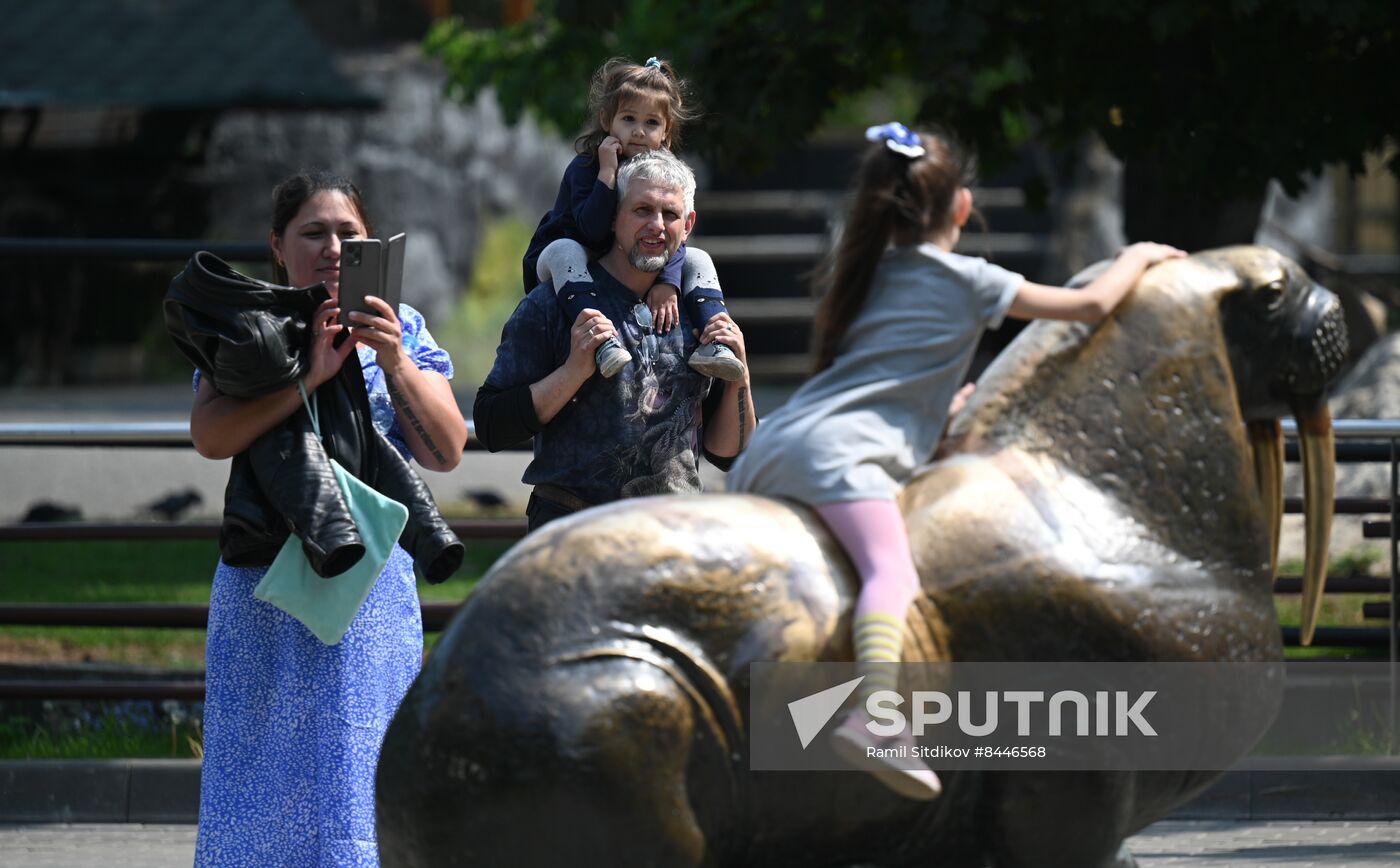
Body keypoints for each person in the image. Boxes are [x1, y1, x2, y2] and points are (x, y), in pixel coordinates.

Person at [725, 123, 1184, 801]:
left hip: (778, 442)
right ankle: (878, 717)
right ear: (961, 209)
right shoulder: (971, 279)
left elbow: (885, 374)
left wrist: (938, 415)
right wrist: (1138, 257)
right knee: (892, 574)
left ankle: (780, 717)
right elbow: (1087, 306)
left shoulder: (866, 272)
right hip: (841, 457)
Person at [189, 171, 467, 866]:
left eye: (350, 234)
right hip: (265, 591)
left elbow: (447, 451)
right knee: (259, 784)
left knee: (362, 776)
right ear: (277, 245)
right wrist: (307, 377)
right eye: (314, 233)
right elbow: (212, 436)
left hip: (367, 592)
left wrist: (394, 358)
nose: (334, 248)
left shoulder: (403, 327)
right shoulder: (246, 323)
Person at [478, 148, 756, 532]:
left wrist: (739, 377)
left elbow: (728, 454)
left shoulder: (701, 310)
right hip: (573, 530)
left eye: (670, 214)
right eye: (642, 210)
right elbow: (491, 425)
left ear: (688, 224)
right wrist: (574, 371)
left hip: (676, 534)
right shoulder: (555, 303)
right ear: (612, 216)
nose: (657, 225)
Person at [521, 55, 746, 382]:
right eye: (628, 119)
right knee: (565, 249)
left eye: (651, 123)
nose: (639, 132)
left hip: (628, 260)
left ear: (666, 132)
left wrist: (669, 281)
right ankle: (601, 341)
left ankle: (716, 342)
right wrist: (608, 174)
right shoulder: (586, 167)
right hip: (569, 257)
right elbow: (593, 231)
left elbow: (675, 235)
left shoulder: (666, 176)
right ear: (606, 120)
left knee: (697, 258)